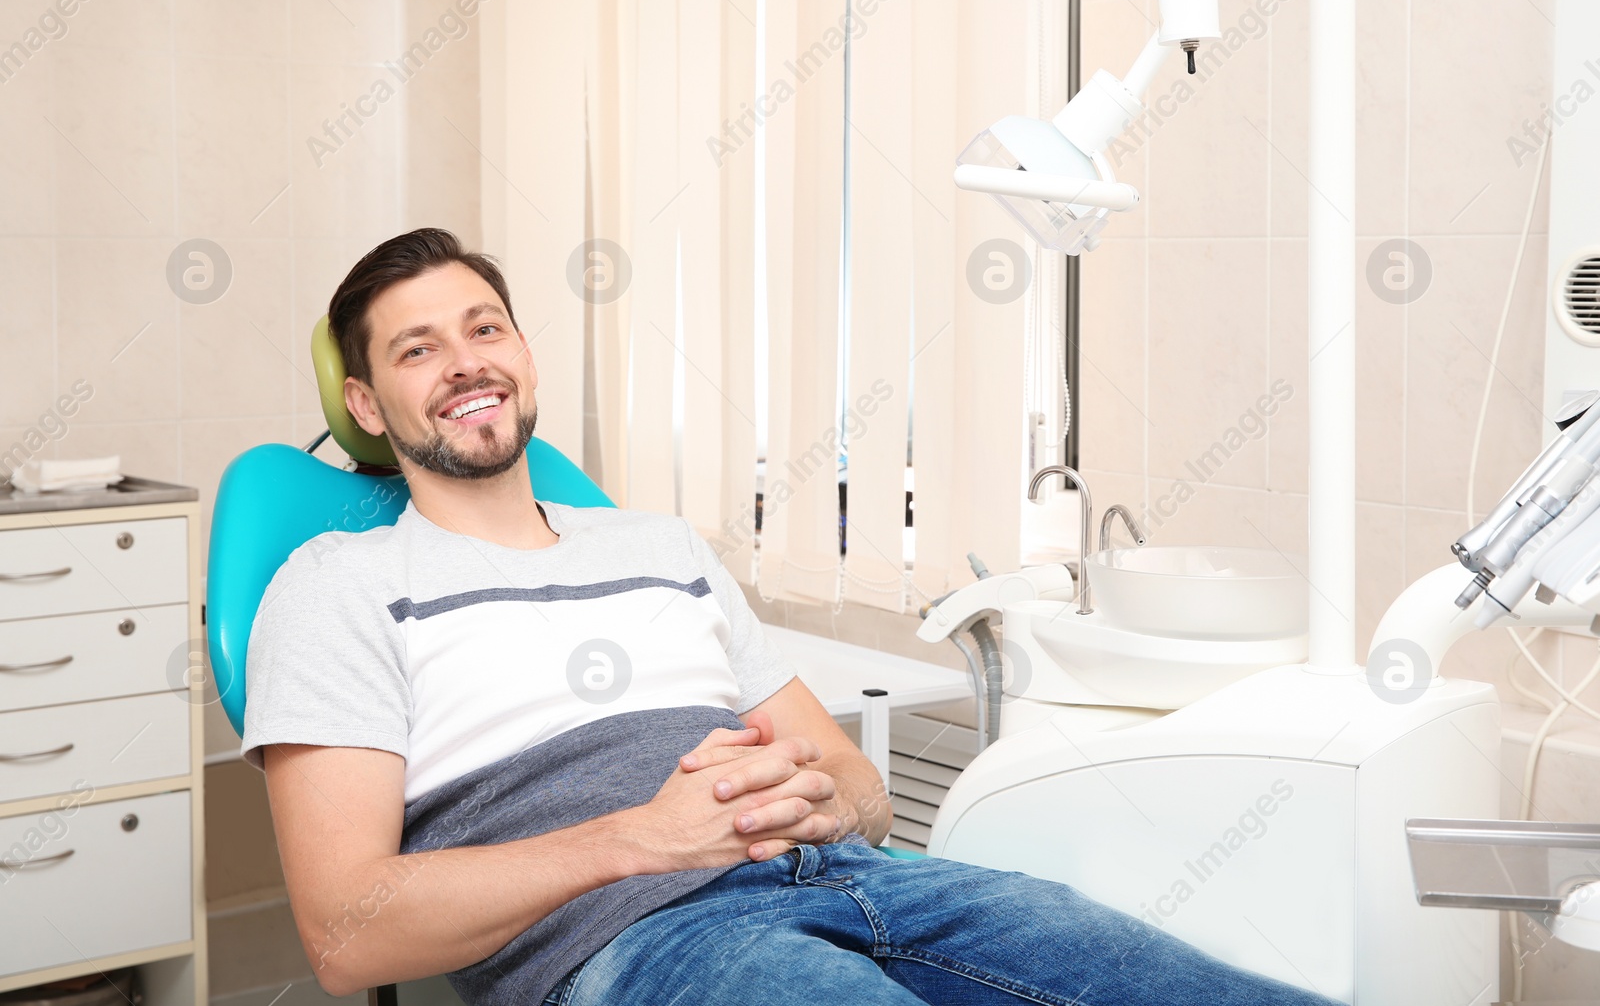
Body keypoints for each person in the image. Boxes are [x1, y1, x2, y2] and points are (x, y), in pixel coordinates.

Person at [242, 229, 1340, 1006]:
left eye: (485, 326)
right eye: (417, 346)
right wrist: (639, 839)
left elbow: (859, 793)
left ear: (524, 356)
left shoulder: (658, 545)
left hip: (871, 882)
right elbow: (345, 933)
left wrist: (825, 795)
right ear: (368, 405)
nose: (465, 360)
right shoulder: (334, 582)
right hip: (637, 939)